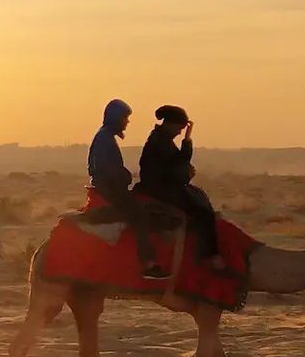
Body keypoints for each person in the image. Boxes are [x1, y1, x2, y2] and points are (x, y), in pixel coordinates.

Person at [138, 105, 227, 273]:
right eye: (179, 127)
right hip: (159, 188)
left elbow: (178, 163)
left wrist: (187, 141)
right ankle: (210, 255)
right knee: (203, 213)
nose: (179, 131)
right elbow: (176, 167)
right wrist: (186, 167)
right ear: (171, 124)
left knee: (200, 199)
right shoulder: (160, 142)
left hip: (163, 185)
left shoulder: (162, 139)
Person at [88, 99, 162, 279]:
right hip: (110, 192)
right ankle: (148, 263)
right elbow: (108, 170)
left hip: (110, 189)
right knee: (141, 215)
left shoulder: (104, 137)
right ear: (115, 118)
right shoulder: (105, 139)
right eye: (124, 118)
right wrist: (126, 176)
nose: (127, 122)